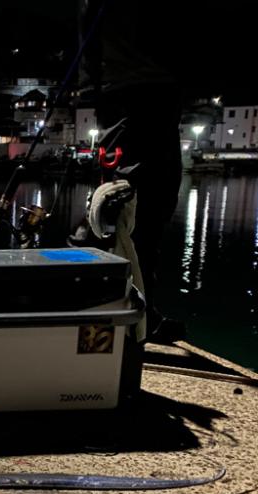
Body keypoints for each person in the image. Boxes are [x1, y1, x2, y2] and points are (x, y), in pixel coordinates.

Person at [76, 0, 186, 342]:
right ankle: (128, 317)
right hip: (142, 92)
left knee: (124, 205)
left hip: (121, 94)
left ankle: (121, 312)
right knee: (135, 206)